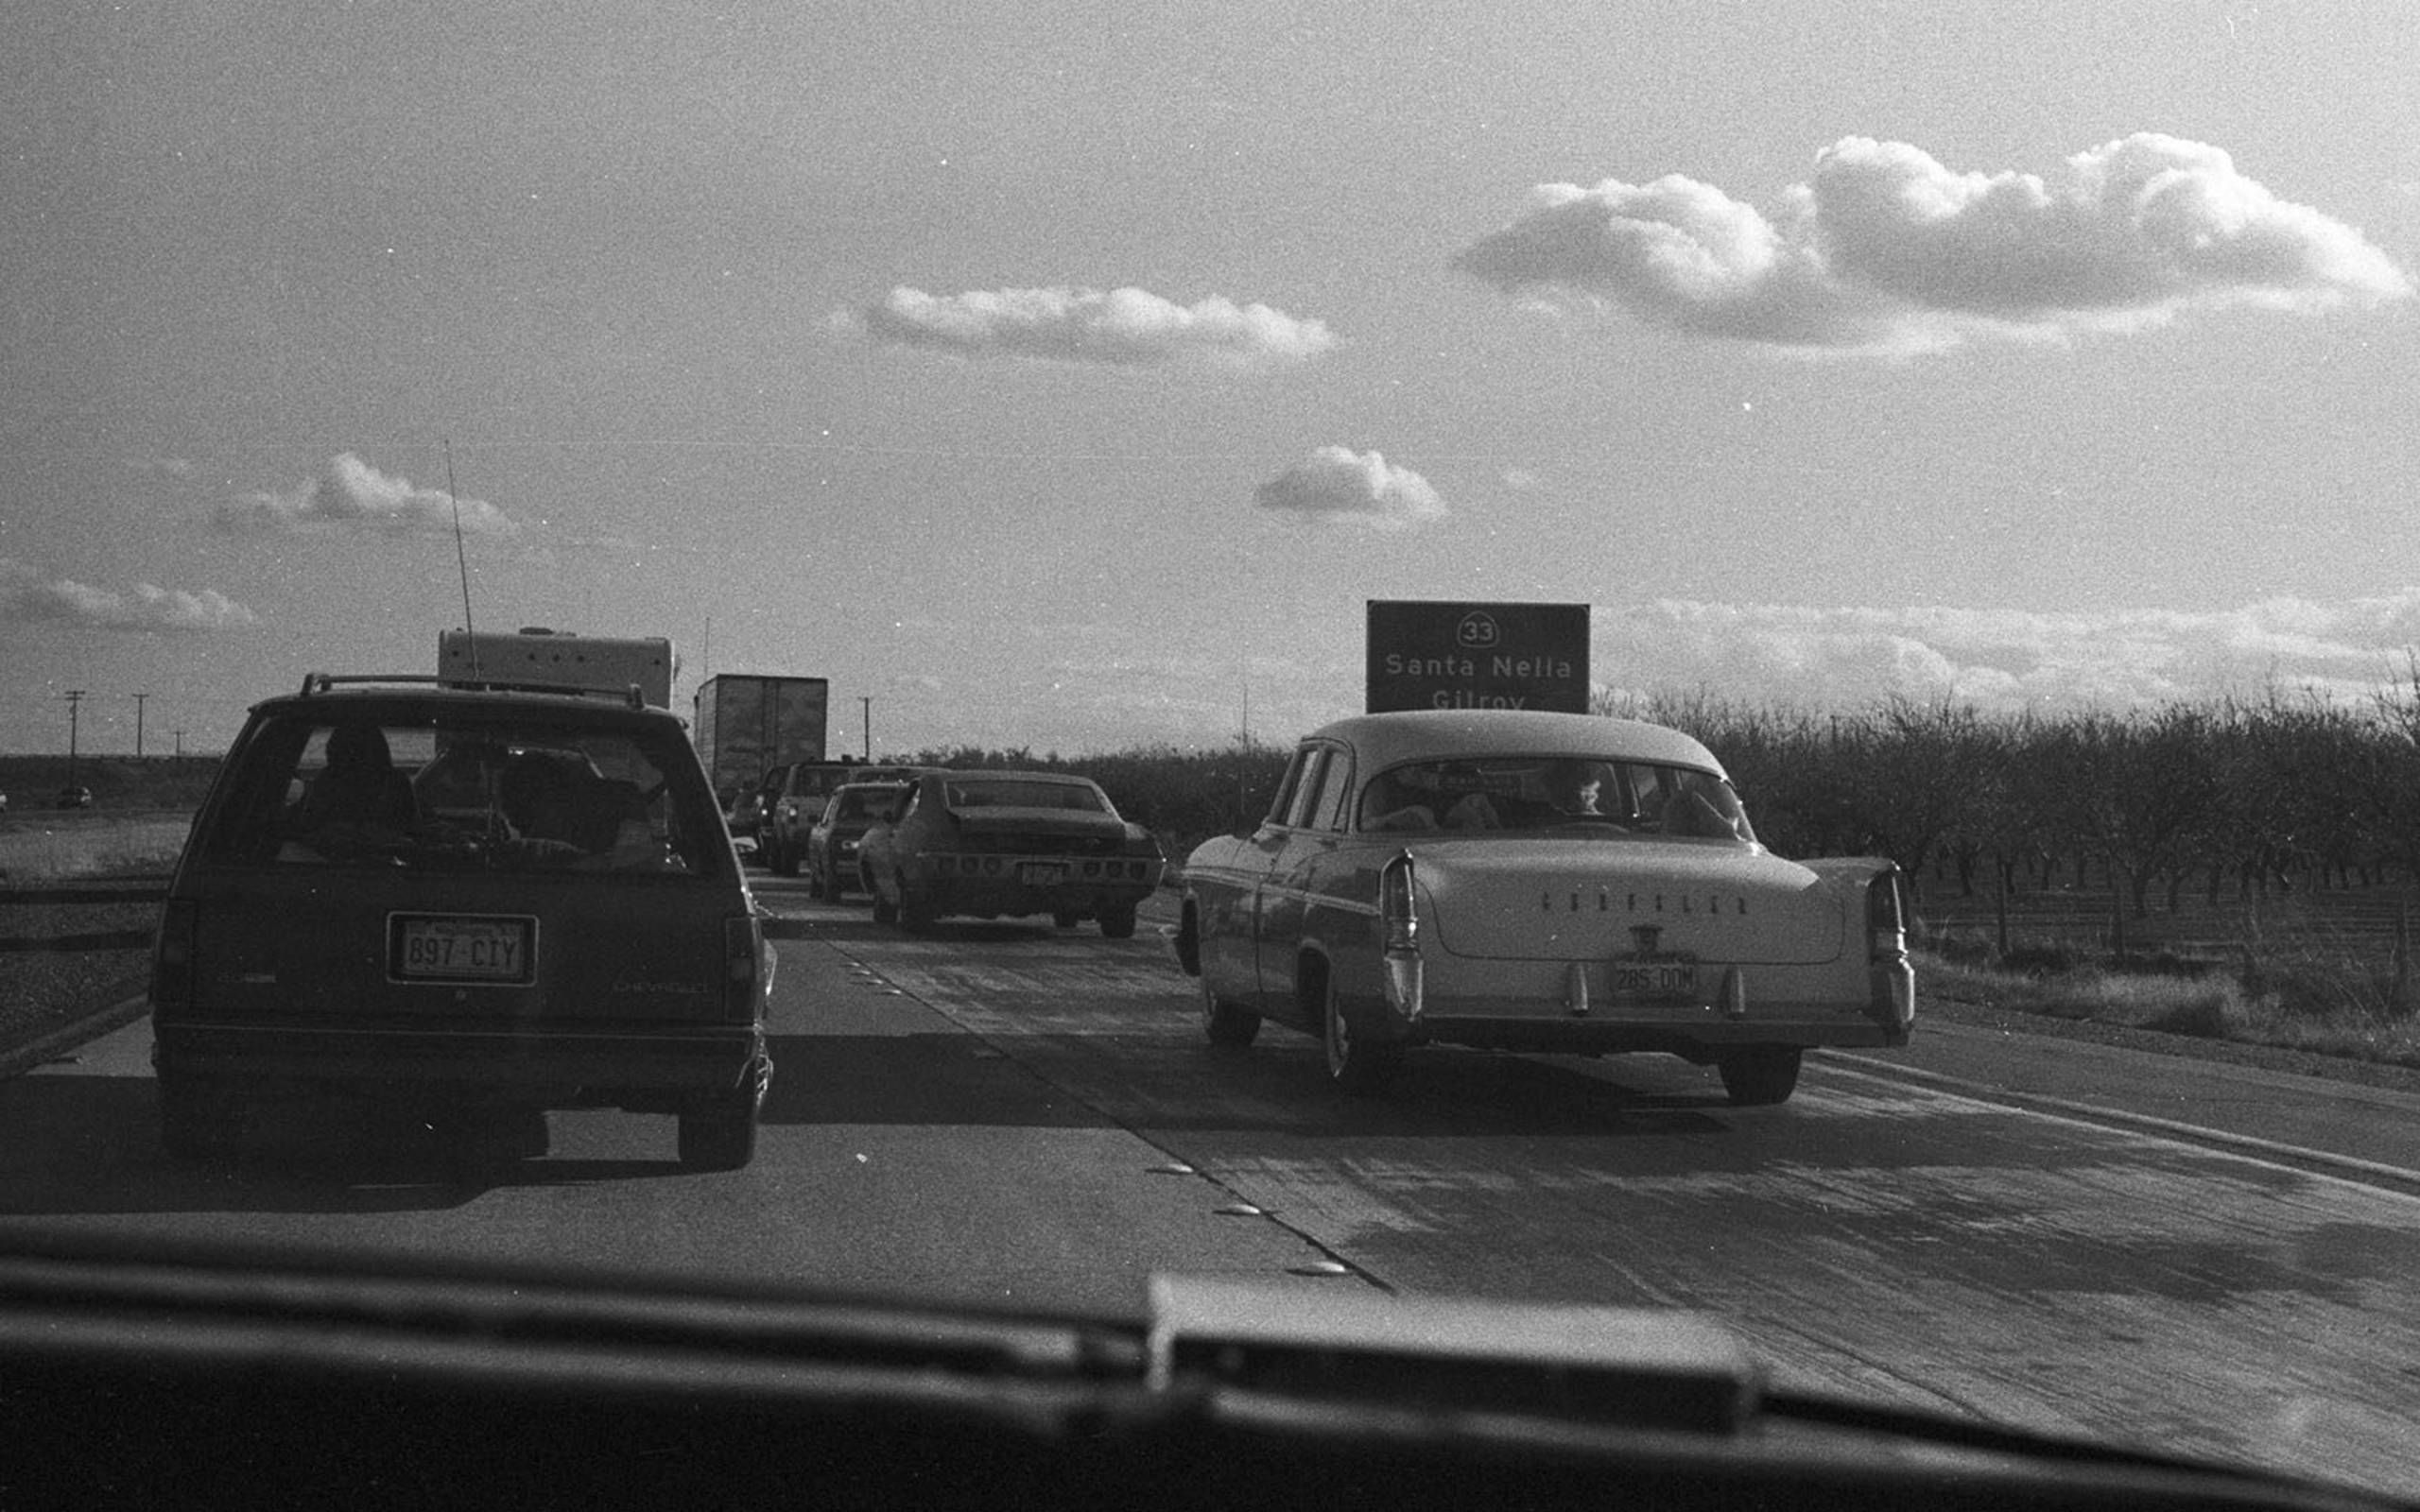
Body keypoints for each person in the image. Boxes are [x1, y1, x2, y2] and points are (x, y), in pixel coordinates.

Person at [296, 723, 417, 838]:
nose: (353, 759)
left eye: (358, 751)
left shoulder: (327, 780)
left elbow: (307, 829)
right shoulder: (396, 781)